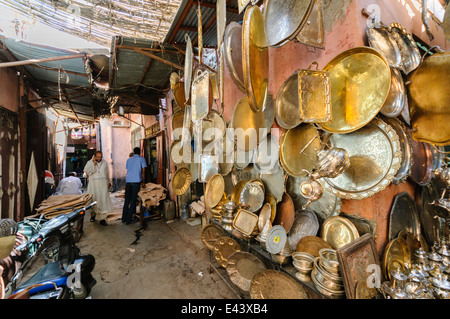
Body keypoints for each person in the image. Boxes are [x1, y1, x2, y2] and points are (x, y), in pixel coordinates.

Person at [83, 151, 113, 226]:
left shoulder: (105, 163)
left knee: (103, 200)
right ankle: (93, 216)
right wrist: (94, 163)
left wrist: (109, 182)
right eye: (98, 157)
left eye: (101, 157)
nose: (99, 158)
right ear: (94, 156)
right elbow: (88, 172)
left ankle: (103, 219)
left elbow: (107, 173)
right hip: (94, 185)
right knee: (93, 200)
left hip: (103, 184)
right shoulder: (90, 163)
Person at [122, 147, 147, 225]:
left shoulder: (128, 160)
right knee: (133, 200)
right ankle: (129, 220)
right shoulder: (142, 159)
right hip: (136, 182)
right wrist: (143, 182)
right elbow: (143, 172)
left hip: (128, 181)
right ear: (140, 152)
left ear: (133, 152)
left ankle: (123, 219)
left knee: (127, 201)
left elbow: (128, 170)